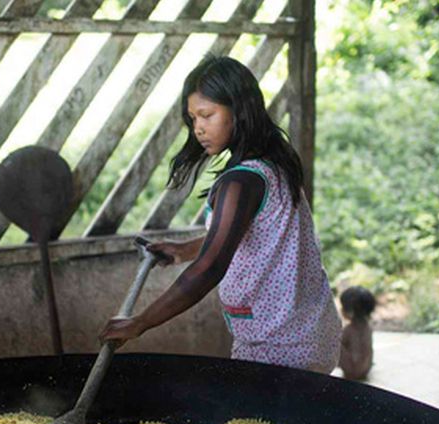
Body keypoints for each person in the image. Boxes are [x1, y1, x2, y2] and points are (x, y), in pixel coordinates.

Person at [98, 54, 341, 373]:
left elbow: (210, 269)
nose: (198, 128)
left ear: (239, 111)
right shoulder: (274, 162)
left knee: (257, 422)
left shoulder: (240, 182)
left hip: (276, 344)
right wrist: (185, 250)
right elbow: (256, 232)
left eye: (207, 115)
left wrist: (140, 323)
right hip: (312, 332)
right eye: (193, 119)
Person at [338, 286, 376, 380]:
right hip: (365, 369)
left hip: (351, 371)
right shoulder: (368, 329)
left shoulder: (349, 330)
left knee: (335, 342)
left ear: (350, 312)